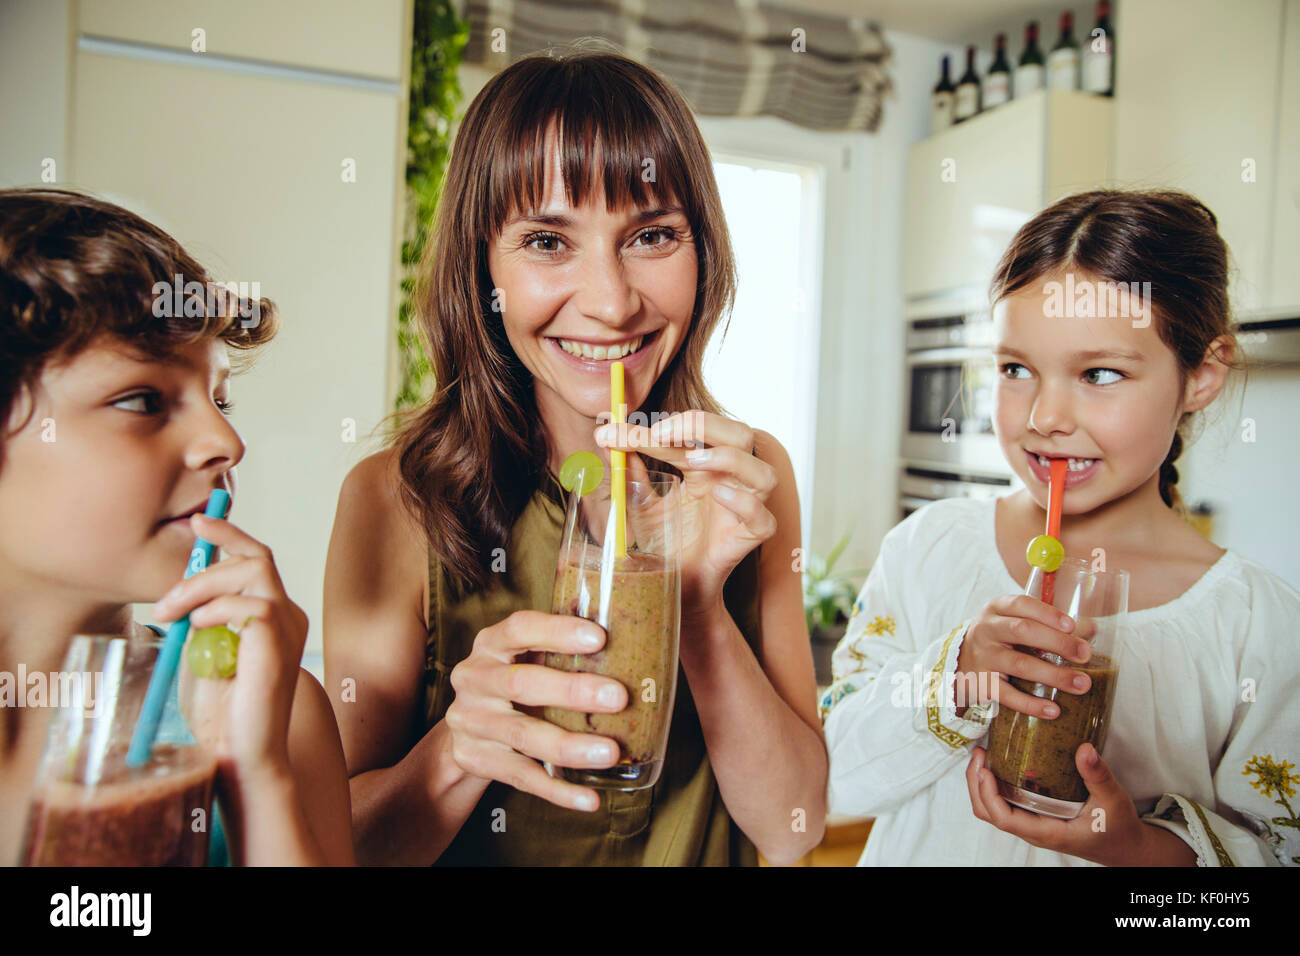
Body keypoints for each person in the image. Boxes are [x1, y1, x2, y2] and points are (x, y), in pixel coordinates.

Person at [323, 48, 826, 866]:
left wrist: (694, 604)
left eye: (653, 235)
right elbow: (339, 849)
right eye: (548, 241)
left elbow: (793, 827)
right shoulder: (395, 497)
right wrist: (455, 749)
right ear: (480, 262)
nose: (610, 301)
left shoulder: (748, 477)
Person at [822, 188, 1300, 866]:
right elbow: (836, 777)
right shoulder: (927, 547)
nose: (1045, 416)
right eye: (1017, 368)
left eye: (1099, 373)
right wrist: (954, 674)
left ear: (1202, 375)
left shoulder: (1261, 628)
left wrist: (1137, 845)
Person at [0, 188, 354, 865]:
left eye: (221, 399)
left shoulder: (277, 713)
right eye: (142, 400)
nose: (226, 439)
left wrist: (257, 780)